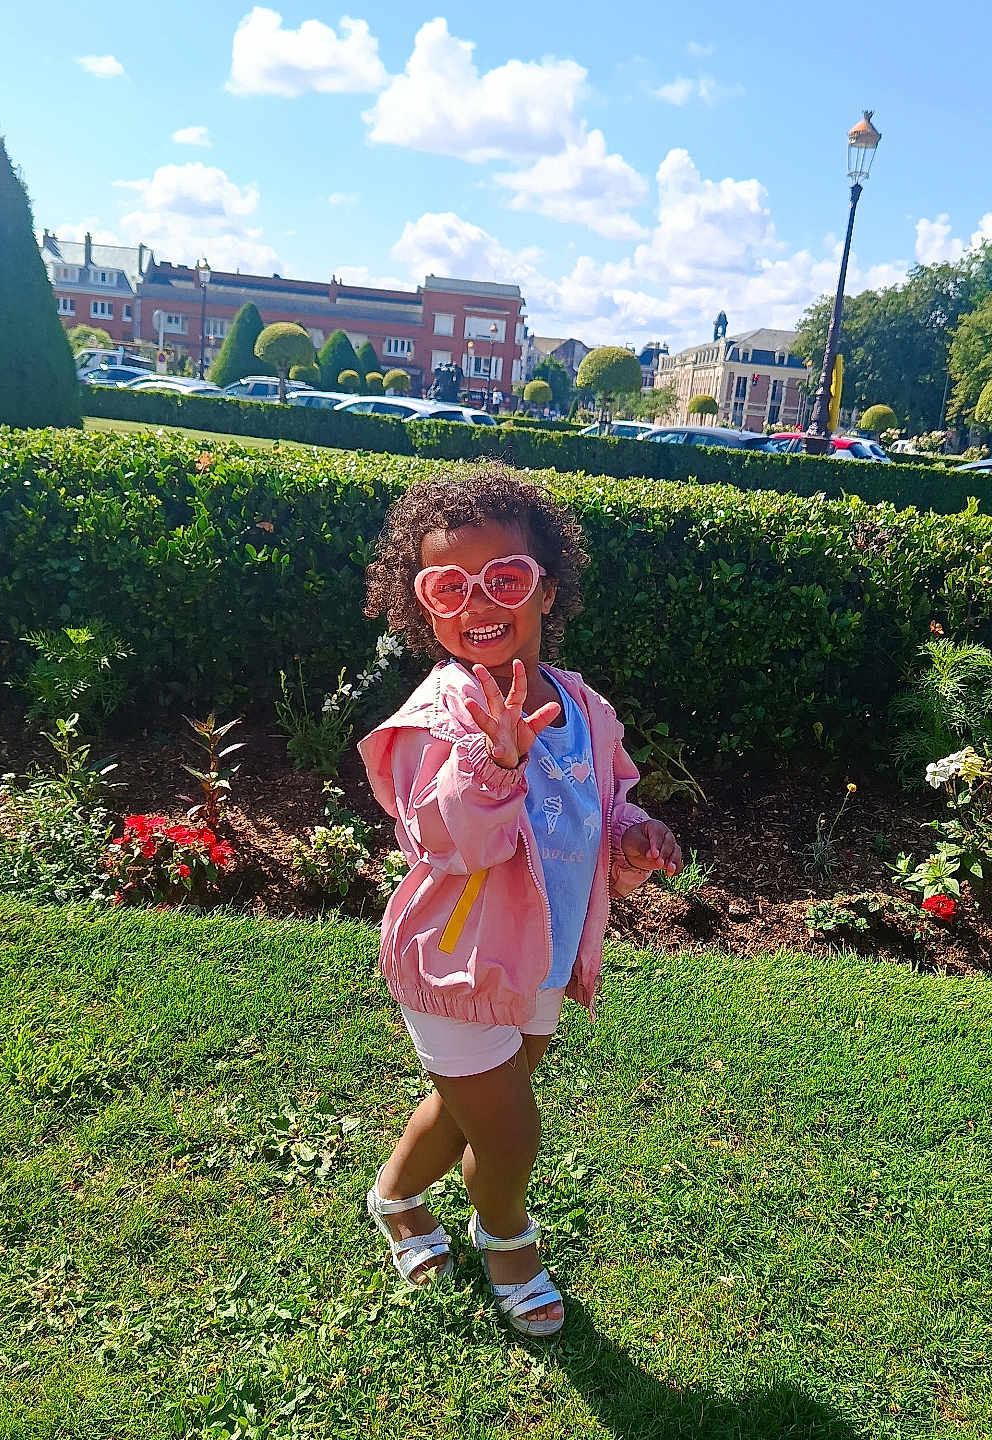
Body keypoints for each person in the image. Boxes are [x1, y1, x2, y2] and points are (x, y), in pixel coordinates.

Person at [357, 465, 682, 1338]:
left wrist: (636, 835)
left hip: (539, 955)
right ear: (419, 604)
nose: (477, 604)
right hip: (456, 961)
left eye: (503, 577)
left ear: (547, 585)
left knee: (471, 1108)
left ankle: (394, 1195)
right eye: (447, 587)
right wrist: (494, 763)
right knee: (509, 1134)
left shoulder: (580, 704)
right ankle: (506, 1239)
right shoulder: (440, 717)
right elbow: (445, 842)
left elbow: (595, 808)